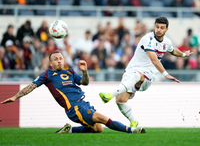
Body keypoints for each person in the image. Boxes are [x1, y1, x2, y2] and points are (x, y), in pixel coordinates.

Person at [1, 50, 145, 134]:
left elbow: (85, 82)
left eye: (60, 59)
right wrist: (15, 97)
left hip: (83, 103)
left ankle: (69, 130)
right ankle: (131, 130)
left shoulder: (69, 72)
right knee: (102, 118)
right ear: (50, 63)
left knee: (98, 129)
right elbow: (31, 86)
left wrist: (85, 72)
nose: (58, 61)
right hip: (73, 108)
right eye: (55, 59)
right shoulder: (48, 74)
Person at [99, 17, 193, 128]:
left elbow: (172, 50)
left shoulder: (167, 42)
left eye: (162, 28)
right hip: (131, 70)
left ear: (166, 29)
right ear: (154, 26)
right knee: (120, 100)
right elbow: (154, 58)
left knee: (138, 75)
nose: (159, 30)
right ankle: (134, 121)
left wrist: (183, 55)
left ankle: (109, 94)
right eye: (157, 27)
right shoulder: (147, 39)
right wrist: (166, 74)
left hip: (148, 74)